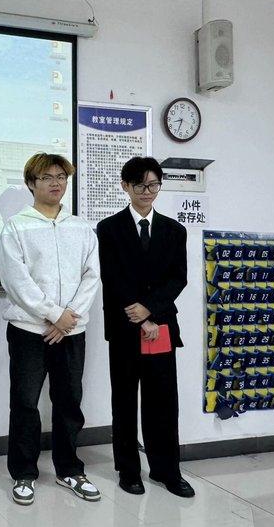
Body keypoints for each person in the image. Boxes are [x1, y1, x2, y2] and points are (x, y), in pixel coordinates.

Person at [0, 152, 100, 506]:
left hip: (71, 330)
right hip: (29, 330)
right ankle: (24, 473)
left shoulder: (81, 227)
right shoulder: (16, 227)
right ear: (31, 183)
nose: (56, 183)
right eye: (47, 177)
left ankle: (69, 469)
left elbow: (92, 276)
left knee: (69, 401)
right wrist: (54, 314)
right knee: (25, 403)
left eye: (61, 177)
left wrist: (69, 316)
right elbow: (16, 281)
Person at [96, 156, 194, 498]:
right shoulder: (109, 228)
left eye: (153, 184)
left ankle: (167, 470)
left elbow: (178, 278)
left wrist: (151, 311)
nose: (147, 191)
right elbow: (112, 277)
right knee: (124, 400)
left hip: (161, 327)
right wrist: (139, 315)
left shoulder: (174, 230)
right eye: (140, 185)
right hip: (125, 327)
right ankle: (128, 470)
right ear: (126, 187)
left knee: (163, 401)